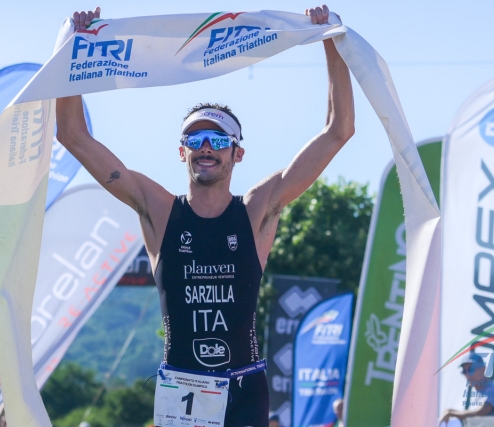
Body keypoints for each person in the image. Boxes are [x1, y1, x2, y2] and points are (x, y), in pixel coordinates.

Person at [57, 5, 354, 426]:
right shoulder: (159, 209)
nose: (205, 146)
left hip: (244, 387)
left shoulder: (257, 209)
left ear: (237, 152)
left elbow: (339, 129)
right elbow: (71, 135)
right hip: (182, 388)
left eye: (217, 138)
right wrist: (75, 47)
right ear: (182, 152)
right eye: (194, 138)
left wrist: (329, 38)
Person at [439, 354, 494, 425]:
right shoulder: (476, 391)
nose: (467, 374)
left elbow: (478, 413)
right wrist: (450, 411)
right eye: (464, 371)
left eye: (471, 369)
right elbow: (472, 413)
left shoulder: (492, 389)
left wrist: (451, 413)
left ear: (483, 369)